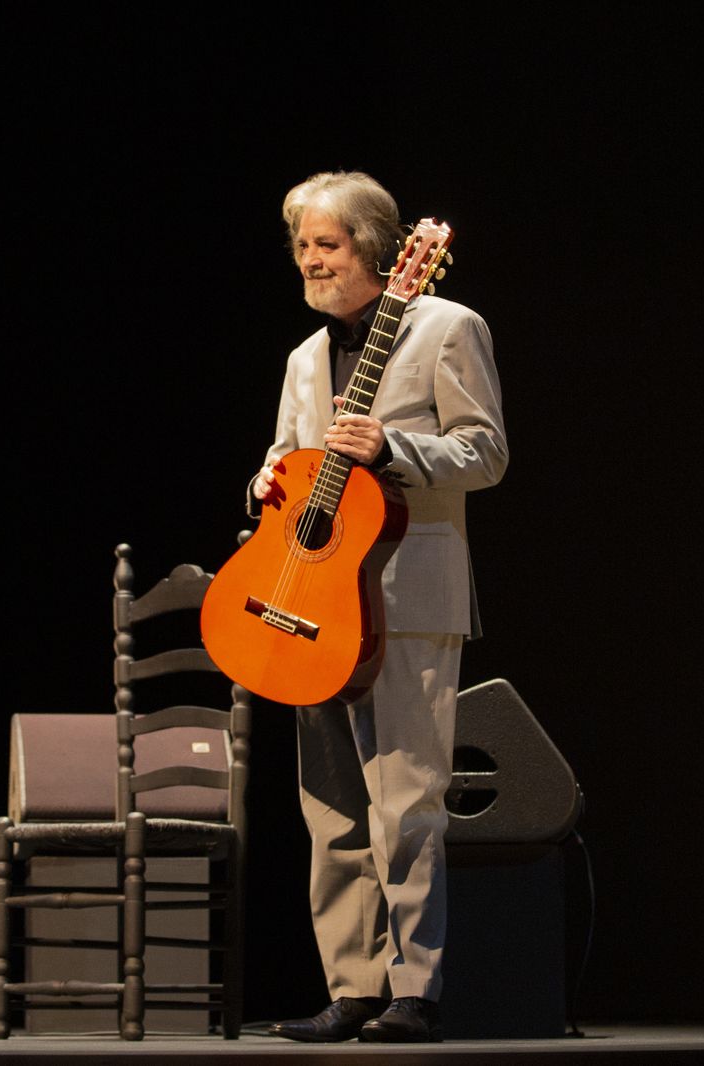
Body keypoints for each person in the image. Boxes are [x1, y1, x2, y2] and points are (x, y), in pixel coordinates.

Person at [250, 172, 508, 1043]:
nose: (310, 262)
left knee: (406, 798)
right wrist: (265, 476)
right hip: (315, 597)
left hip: (408, 592)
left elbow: (486, 452)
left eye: (326, 244)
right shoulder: (303, 357)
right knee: (329, 804)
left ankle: (417, 989)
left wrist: (394, 446)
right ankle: (352, 987)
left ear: (374, 246)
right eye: (302, 247)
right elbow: (289, 454)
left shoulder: (447, 327)